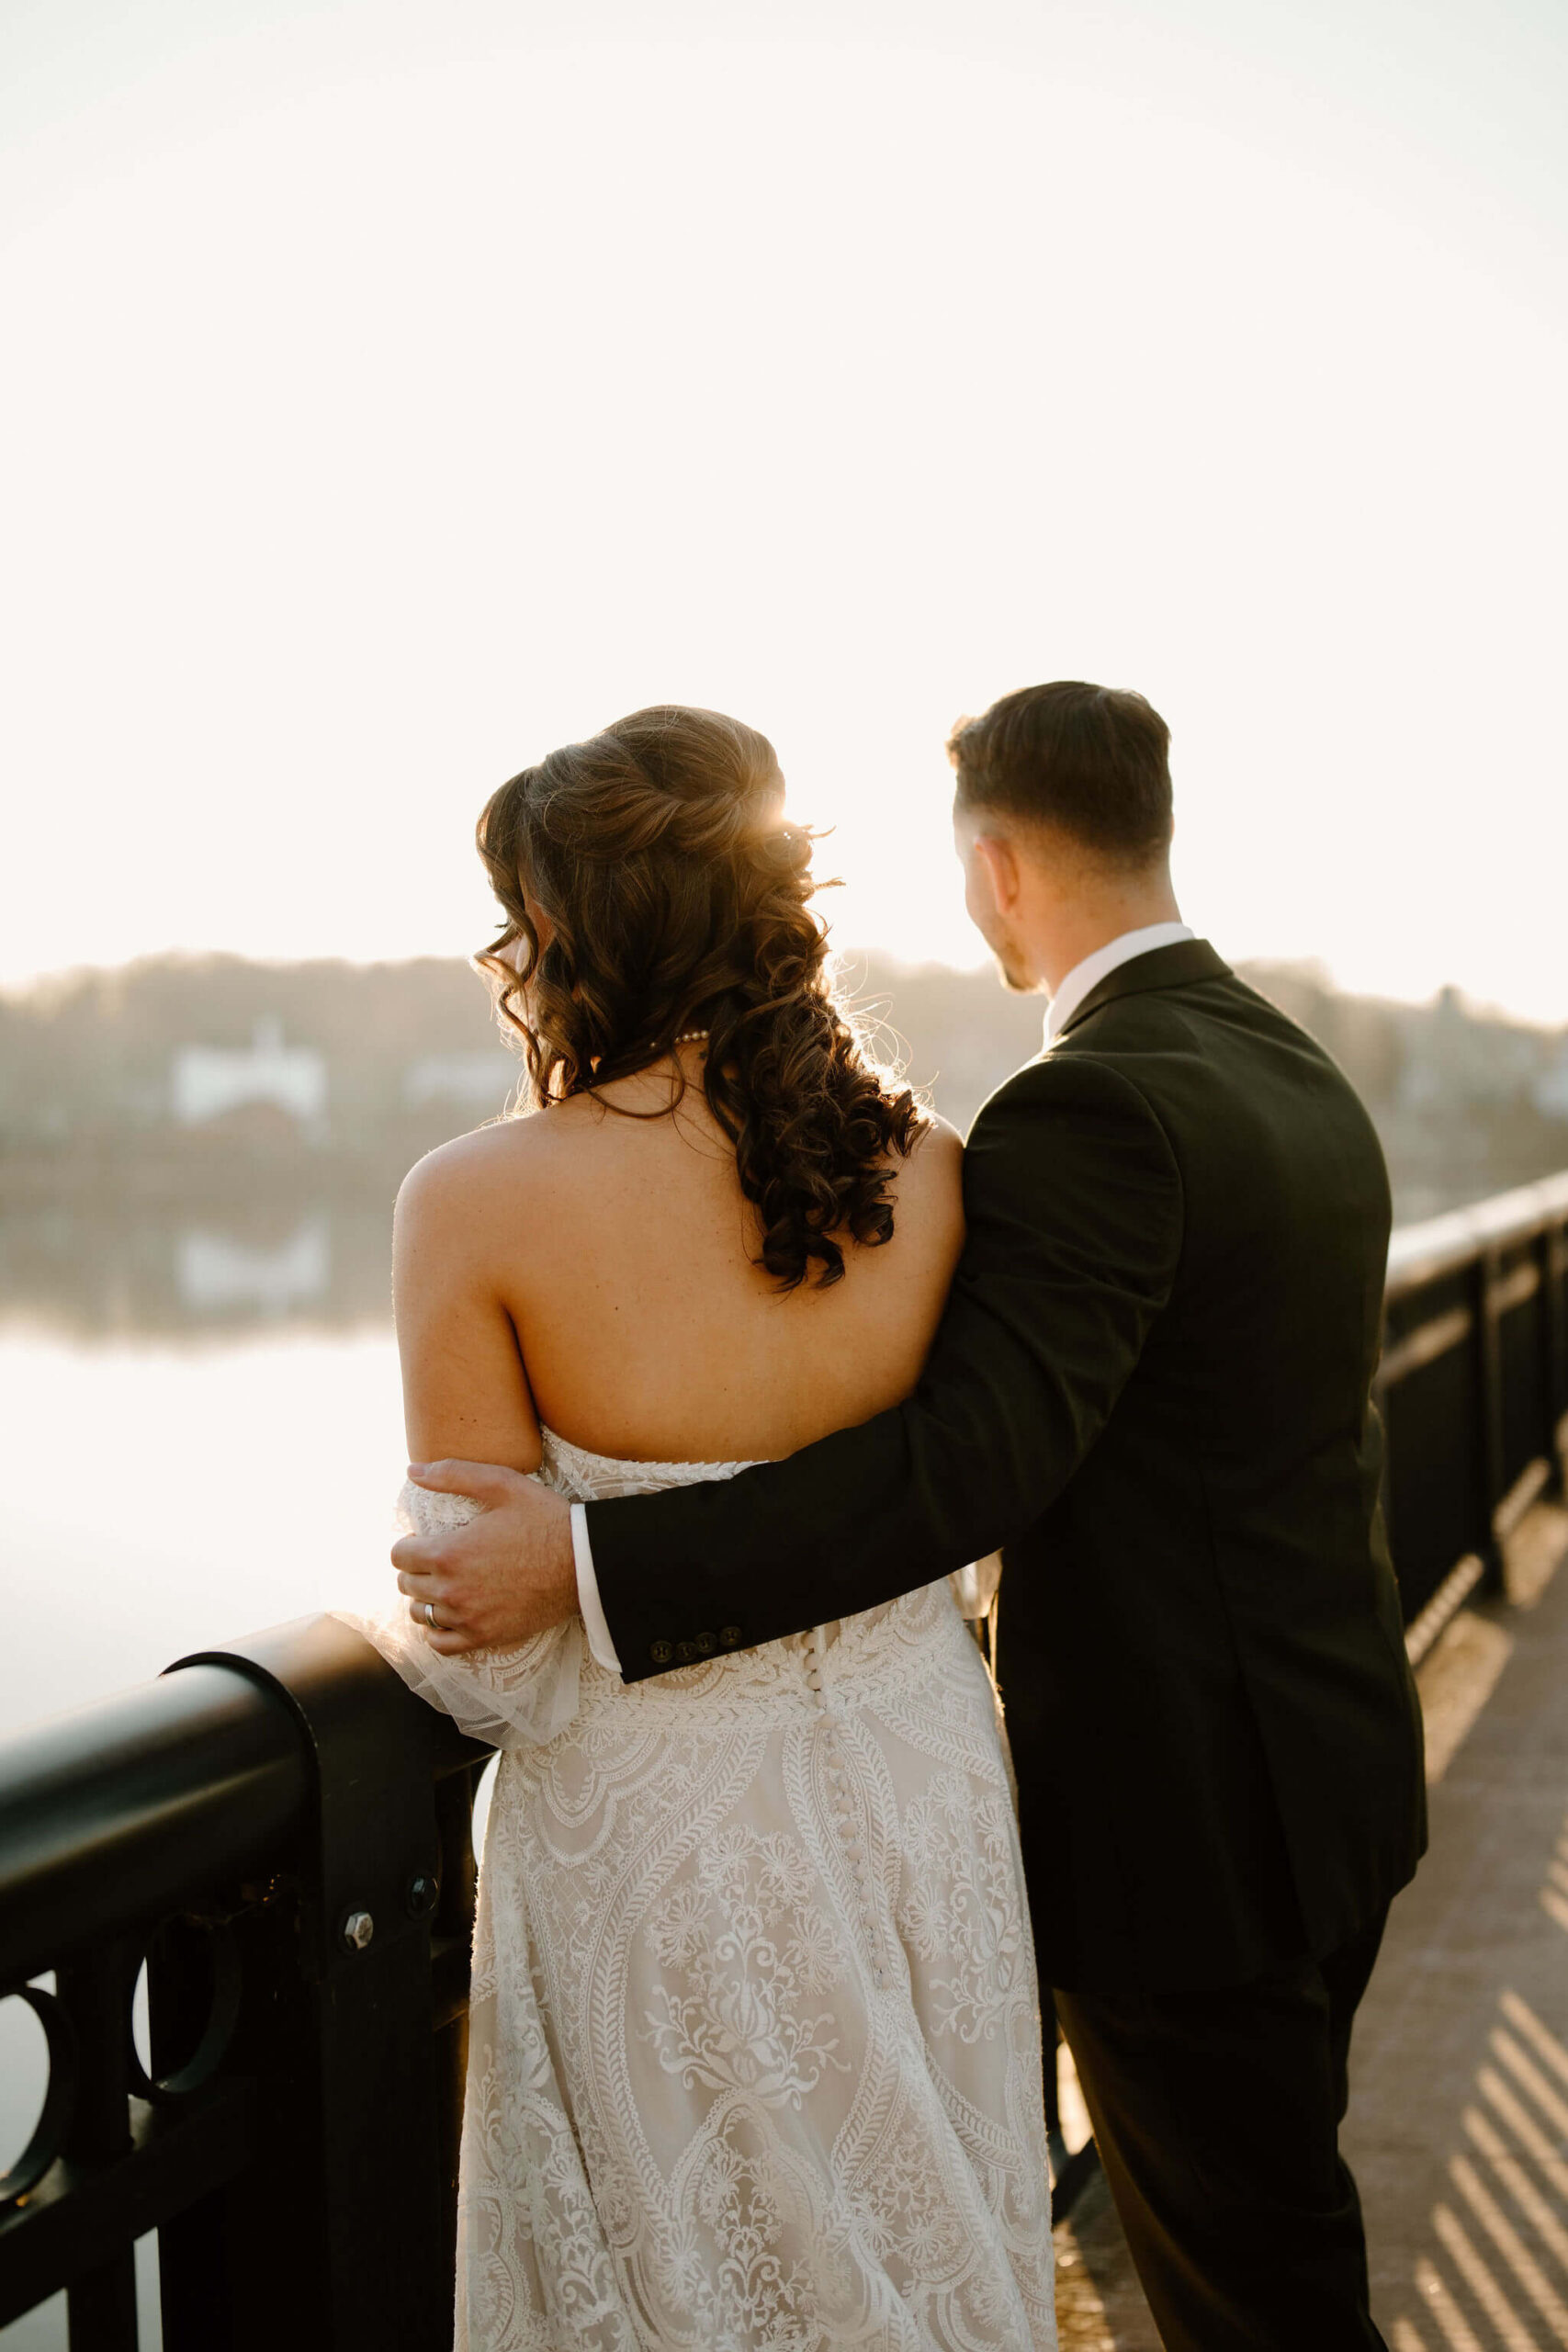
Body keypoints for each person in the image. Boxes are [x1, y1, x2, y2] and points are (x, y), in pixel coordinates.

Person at [394, 680, 1428, 2352]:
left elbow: (966, 1474)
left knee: (1258, 2292)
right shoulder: (1252, 1078)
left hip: (1158, 1825)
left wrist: (581, 1565)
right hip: (1275, 1773)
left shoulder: (1079, 1113)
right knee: (1065, 2248)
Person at [355, 704, 1057, 2349]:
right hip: (920, 1782)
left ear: (571, 934)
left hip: (662, 1842)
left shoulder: (472, 1201)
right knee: (934, 2242)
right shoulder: (934, 1172)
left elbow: (491, 1646)